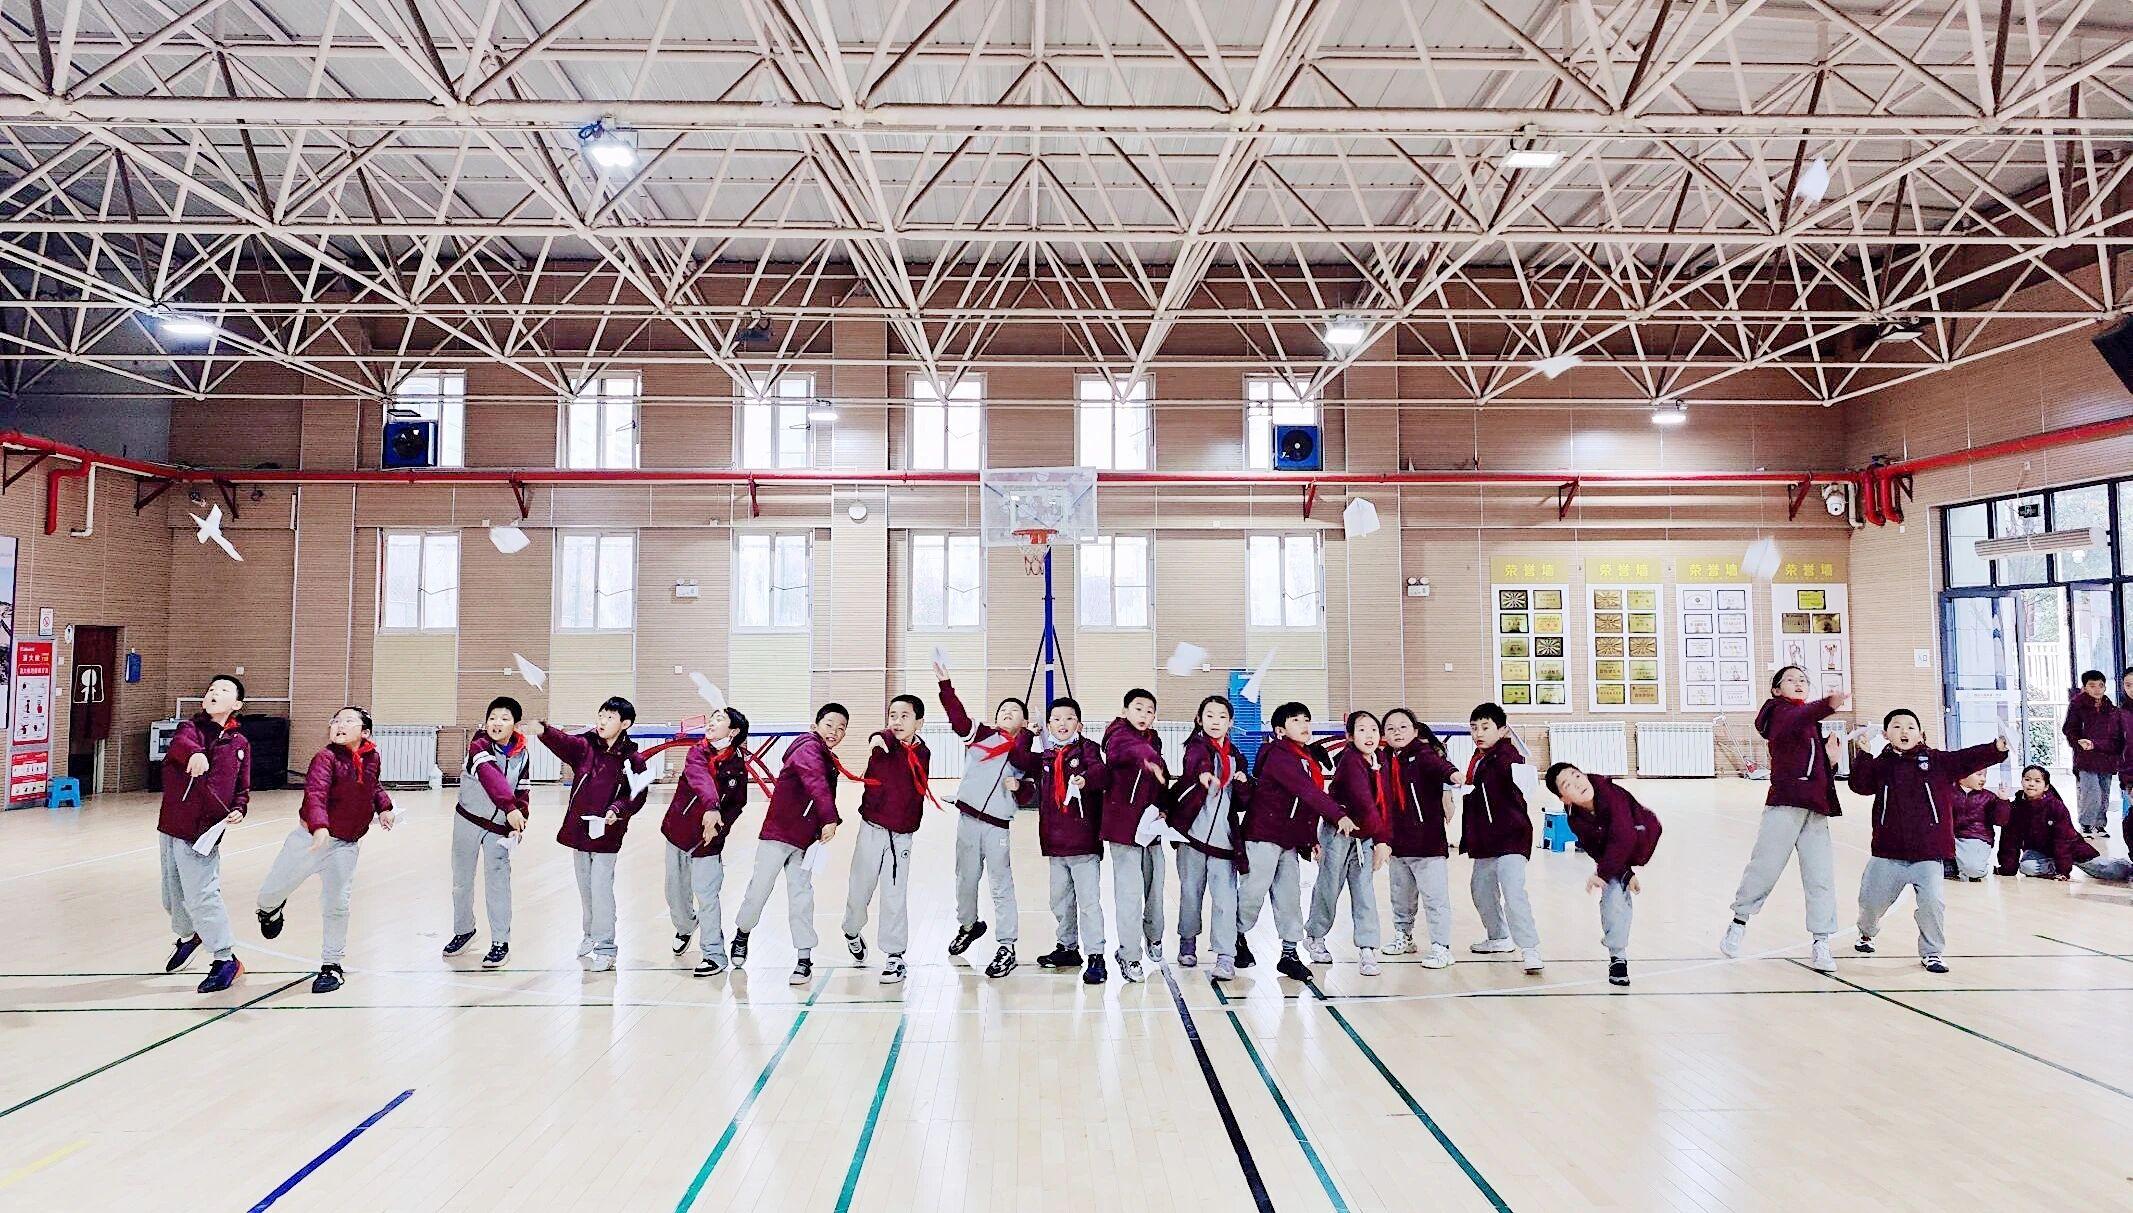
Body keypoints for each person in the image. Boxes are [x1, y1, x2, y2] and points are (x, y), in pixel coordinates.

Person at [1847, 709, 2006, 973]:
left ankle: (1932, 953)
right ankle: (1866, 933)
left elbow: (1967, 757)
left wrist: (1996, 748)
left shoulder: (1937, 762)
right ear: (1886, 735)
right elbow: (1860, 786)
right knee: (1871, 903)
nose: (1904, 731)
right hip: (1888, 852)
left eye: (1910, 727)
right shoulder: (1881, 765)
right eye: (1896, 726)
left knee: (1932, 904)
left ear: (1921, 734)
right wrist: (1863, 755)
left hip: (1928, 854)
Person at [256, 707, 394, 993]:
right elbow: (315, 794)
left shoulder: (372, 757)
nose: (339, 725)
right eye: (336, 721)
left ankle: (332, 965)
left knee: (337, 905)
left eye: (348, 721)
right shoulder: (325, 758)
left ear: (365, 732)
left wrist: (384, 807)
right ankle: (269, 911)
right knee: (269, 893)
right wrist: (319, 826)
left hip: (345, 845)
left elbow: (373, 786)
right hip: (308, 841)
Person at [1722, 668, 1848, 973]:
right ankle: (1738, 922)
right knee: (1764, 868)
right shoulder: (1778, 714)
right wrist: (1827, 704)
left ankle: (1821, 941)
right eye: (1791, 679)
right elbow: (1796, 720)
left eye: (1803, 680)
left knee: (1820, 876)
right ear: (1776, 690)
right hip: (1785, 805)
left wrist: (1830, 760)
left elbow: (1815, 770)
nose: (1799, 683)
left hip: (1815, 809)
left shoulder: (1810, 722)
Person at [733, 703, 847, 985]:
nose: (834, 731)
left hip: (806, 841)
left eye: (841, 728)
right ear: (815, 726)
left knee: (801, 896)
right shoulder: (807, 748)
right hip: (778, 833)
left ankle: (804, 959)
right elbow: (815, 783)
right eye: (829, 724)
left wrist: (822, 825)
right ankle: (742, 934)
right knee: (759, 890)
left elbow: (821, 793)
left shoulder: (827, 757)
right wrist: (830, 818)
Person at [538, 697, 649, 974]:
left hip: (607, 834)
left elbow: (637, 794)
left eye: (610, 717)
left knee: (601, 889)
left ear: (625, 724)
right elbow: (565, 742)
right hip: (580, 830)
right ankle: (589, 934)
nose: (602, 721)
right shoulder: (586, 747)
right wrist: (544, 730)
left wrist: (616, 810)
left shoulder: (633, 760)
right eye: (601, 715)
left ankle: (606, 947)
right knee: (586, 889)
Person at [157, 675, 253, 994]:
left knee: (202, 894)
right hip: (172, 822)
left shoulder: (240, 744)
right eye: (211, 689)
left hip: (204, 830)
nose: (214, 693)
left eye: (223, 690)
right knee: (172, 896)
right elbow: (182, 745)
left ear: (236, 704)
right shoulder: (190, 729)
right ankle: (191, 936)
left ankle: (225, 959)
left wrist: (239, 807)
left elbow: (242, 785)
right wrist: (195, 754)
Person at [935, 666, 1032, 979]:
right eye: (1003, 710)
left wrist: (1021, 786)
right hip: (968, 820)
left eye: (1014, 710)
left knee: (1001, 885)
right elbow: (958, 717)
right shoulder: (982, 736)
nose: (1007, 712)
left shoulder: (1025, 752)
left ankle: (1007, 945)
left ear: (1024, 722)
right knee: (965, 880)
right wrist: (945, 685)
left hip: (997, 827)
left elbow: (1031, 791)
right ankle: (969, 926)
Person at [1240, 702, 1342, 982]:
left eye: (1306, 719)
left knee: (1289, 897)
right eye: (1296, 720)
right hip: (1263, 835)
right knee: (1253, 892)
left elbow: (1303, 806)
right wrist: (1339, 815)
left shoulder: (1305, 759)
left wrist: (1309, 839)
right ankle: (1235, 937)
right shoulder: (1278, 756)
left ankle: (1289, 955)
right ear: (1280, 730)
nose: (1304, 725)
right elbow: (1306, 792)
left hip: (1288, 842)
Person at [1011, 697, 1110, 984]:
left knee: (1088, 902)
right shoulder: (1045, 756)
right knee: (1060, 900)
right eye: (1056, 719)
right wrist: (1027, 733)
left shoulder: (1087, 749)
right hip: (1055, 845)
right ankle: (1067, 947)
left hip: (1084, 843)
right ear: (1048, 725)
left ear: (1079, 724)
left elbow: (1101, 773)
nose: (1062, 724)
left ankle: (1096, 955)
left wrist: (1085, 779)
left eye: (1069, 718)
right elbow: (1018, 758)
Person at [842, 694, 934, 985]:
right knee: (859, 891)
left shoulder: (923, 753)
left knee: (895, 895)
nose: (897, 721)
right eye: (893, 715)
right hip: (871, 829)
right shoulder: (883, 743)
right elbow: (881, 738)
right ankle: (851, 931)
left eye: (905, 716)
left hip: (901, 837)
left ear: (919, 722)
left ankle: (895, 955)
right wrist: (878, 737)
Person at [1546, 762, 1662, 988]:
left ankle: (1619, 876)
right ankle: (1618, 958)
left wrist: (1603, 872)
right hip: (1615, 850)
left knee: (1609, 875)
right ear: (1564, 799)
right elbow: (1596, 849)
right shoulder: (1574, 819)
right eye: (1567, 785)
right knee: (1613, 895)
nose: (1577, 783)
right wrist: (1622, 872)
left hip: (1642, 834)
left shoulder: (1610, 794)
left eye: (1576, 775)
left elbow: (1624, 836)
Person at [661, 708, 753, 977]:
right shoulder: (697, 752)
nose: (712, 722)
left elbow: (737, 804)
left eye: (719, 719)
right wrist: (711, 807)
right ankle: (686, 927)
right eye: (712, 717)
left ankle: (714, 954)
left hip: (708, 842)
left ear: (733, 731)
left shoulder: (737, 766)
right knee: (675, 895)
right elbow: (700, 778)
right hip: (678, 833)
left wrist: (718, 828)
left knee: (707, 895)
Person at [1305, 711, 1395, 976]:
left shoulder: (1380, 760)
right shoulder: (1350, 761)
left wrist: (1382, 839)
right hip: (1338, 834)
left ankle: (1367, 948)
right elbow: (1364, 802)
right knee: (1329, 886)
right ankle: (1315, 936)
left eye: (1373, 729)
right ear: (1350, 736)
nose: (1369, 735)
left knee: (1364, 890)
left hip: (1364, 836)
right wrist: (1381, 840)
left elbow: (1385, 802)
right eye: (1362, 729)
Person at [1171, 695, 1252, 980]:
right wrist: (1204, 773)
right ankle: (1187, 941)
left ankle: (1225, 956)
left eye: (1222, 716)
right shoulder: (1196, 747)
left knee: (1225, 901)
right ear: (1199, 719)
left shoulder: (1237, 757)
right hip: (1192, 838)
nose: (1215, 721)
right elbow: (1197, 761)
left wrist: (1243, 785)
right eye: (1209, 715)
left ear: (1230, 722)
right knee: (1190, 894)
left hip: (1224, 842)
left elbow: (1242, 803)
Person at [446, 696, 530, 969]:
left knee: (498, 883)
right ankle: (464, 930)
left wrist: (519, 820)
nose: (497, 723)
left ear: (515, 725)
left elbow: (522, 790)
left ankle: (500, 942)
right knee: (461, 881)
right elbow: (490, 775)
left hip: (499, 829)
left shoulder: (522, 754)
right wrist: (510, 808)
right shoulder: (479, 745)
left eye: (505, 718)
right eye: (492, 717)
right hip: (467, 821)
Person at [1462, 703, 1543, 975]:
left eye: (1485, 727)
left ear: (1502, 730)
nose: (1478, 733)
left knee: (1513, 891)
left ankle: (1530, 949)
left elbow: (1520, 777)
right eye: (1474, 728)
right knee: (1480, 889)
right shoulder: (1478, 759)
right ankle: (1498, 937)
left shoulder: (1508, 756)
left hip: (1512, 838)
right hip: (1485, 840)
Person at [1380, 709, 1462, 969]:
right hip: (1398, 844)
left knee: (1435, 899)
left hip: (1428, 844)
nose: (1397, 732)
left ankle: (1441, 947)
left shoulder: (1424, 755)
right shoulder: (1383, 759)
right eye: (1391, 728)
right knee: (1400, 898)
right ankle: (1404, 937)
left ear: (1415, 731)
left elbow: (1441, 767)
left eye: (1403, 727)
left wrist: (1453, 774)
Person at [1100, 688, 1170, 982]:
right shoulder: (1117, 736)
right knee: (1129, 895)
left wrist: (1164, 809)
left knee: (1155, 890)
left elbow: (1161, 781)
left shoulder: (1154, 741)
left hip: (1150, 830)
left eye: (1149, 711)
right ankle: (1129, 954)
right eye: (1138, 708)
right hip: (1123, 831)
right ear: (1125, 711)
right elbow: (1123, 751)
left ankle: (1154, 936)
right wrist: (1149, 756)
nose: (1144, 715)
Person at [2004, 765, 2133, 883]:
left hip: (2070, 850)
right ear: (2022, 781)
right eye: (2027, 779)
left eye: (2037, 781)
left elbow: (2063, 840)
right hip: (2039, 851)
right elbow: (2010, 839)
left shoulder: (2056, 807)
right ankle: (2058, 865)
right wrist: (2007, 869)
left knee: (2116, 872)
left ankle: (2126, 866)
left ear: (2046, 786)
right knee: (2027, 867)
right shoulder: (2016, 808)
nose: (2031, 784)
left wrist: (2063, 870)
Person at [2061, 670, 2124, 837]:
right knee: (2091, 791)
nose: (2097, 689)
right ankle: (2086, 824)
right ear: (2084, 687)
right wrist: (2078, 742)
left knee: (2104, 792)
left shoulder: (2111, 709)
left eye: (2100, 685)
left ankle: (2100, 825)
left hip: (2106, 756)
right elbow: (2069, 729)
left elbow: (2117, 735)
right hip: (2086, 757)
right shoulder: (2077, 706)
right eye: (2092, 685)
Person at [1948, 771, 2009, 882]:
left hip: (1976, 837)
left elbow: (2001, 821)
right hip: (1950, 837)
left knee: (1975, 870)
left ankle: (1963, 865)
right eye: (1979, 774)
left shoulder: (1989, 797)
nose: (1983, 779)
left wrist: (2003, 801)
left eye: (1985, 775)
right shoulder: (1948, 792)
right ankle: (1952, 863)